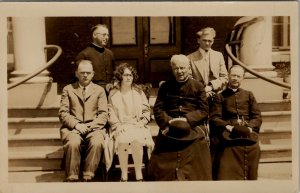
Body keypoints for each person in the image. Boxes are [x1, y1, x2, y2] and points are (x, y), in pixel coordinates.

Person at [148, 54, 212, 181]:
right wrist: (167, 123)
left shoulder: (198, 86)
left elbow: (204, 110)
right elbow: (158, 108)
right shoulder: (165, 86)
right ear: (172, 69)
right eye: (176, 68)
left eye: (182, 68)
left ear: (189, 68)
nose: (180, 71)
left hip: (192, 125)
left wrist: (187, 119)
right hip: (169, 126)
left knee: (198, 148)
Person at [209, 65, 262, 180]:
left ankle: (249, 177)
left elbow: (257, 116)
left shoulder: (249, 95)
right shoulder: (220, 96)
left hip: (247, 130)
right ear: (228, 76)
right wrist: (228, 127)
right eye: (233, 75)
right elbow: (215, 118)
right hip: (228, 131)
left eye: (238, 76)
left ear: (242, 78)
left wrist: (249, 127)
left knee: (255, 147)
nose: (235, 78)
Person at [59, 60, 108, 182]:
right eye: (82, 72)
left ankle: (88, 173)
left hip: (94, 128)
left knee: (97, 142)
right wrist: (76, 125)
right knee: (73, 143)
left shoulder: (99, 91)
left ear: (93, 74)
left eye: (88, 72)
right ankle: (72, 176)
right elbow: (63, 113)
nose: (85, 75)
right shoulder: (68, 89)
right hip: (73, 128)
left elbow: (103, 114)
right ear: (76, 74)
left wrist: (90, 126)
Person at [107, 63, 154, 182]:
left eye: (131, 75)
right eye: (126, 75)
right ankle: (124, 174)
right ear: (120, 76)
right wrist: (117, 125)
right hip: (120, 125)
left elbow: (146, 109)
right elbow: (110, 111)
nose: (129, 78)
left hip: (137, 124)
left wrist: (142, 122)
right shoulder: (113, 93)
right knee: (122, 141)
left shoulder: (139, 92)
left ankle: (138, 173)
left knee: (136, 141)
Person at [187, 27, 228, 98]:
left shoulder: (218, 56)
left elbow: (225, 77)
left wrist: (211, 87)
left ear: (213, 41)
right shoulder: (189, 58)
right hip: (198, 96)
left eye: (210, 41)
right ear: (198, 40)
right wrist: (203, 91)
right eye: (204, 40)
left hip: (216, 95)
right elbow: (189, 79)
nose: (207, 43)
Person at [76, 24, 116, 88]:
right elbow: (80, 79)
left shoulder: (110, 53)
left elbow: (114, 73)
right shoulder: (84, 54)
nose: (106, 37)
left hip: (110, 91)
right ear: (94, 35)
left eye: (107, 35)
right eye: (104, 35)